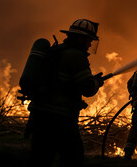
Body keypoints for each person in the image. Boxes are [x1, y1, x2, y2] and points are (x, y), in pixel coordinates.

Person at [26, 19, 105, 167]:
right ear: (81, 38)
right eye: (89, 41)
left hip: (39, 115)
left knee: (40, 159)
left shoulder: (57, 51)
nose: (89, 45)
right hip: (60, 118)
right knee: (73, 158)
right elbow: (87, 89)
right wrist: (96, 83)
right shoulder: (76, 56)